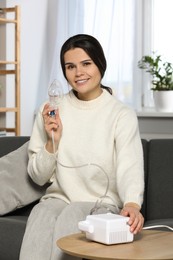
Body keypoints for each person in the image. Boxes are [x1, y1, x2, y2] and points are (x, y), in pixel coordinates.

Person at [19, 34, 144, 260]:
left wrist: (132, 204)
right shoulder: (50, 111)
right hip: (58, 198)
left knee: (73, 214)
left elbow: (130, 166)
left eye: (86, 63)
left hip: (101, 204)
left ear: (100, 64)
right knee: (42, 211)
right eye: (70, 66)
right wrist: (51, 140)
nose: (78, 73)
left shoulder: (121, 115)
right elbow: (37, 177)